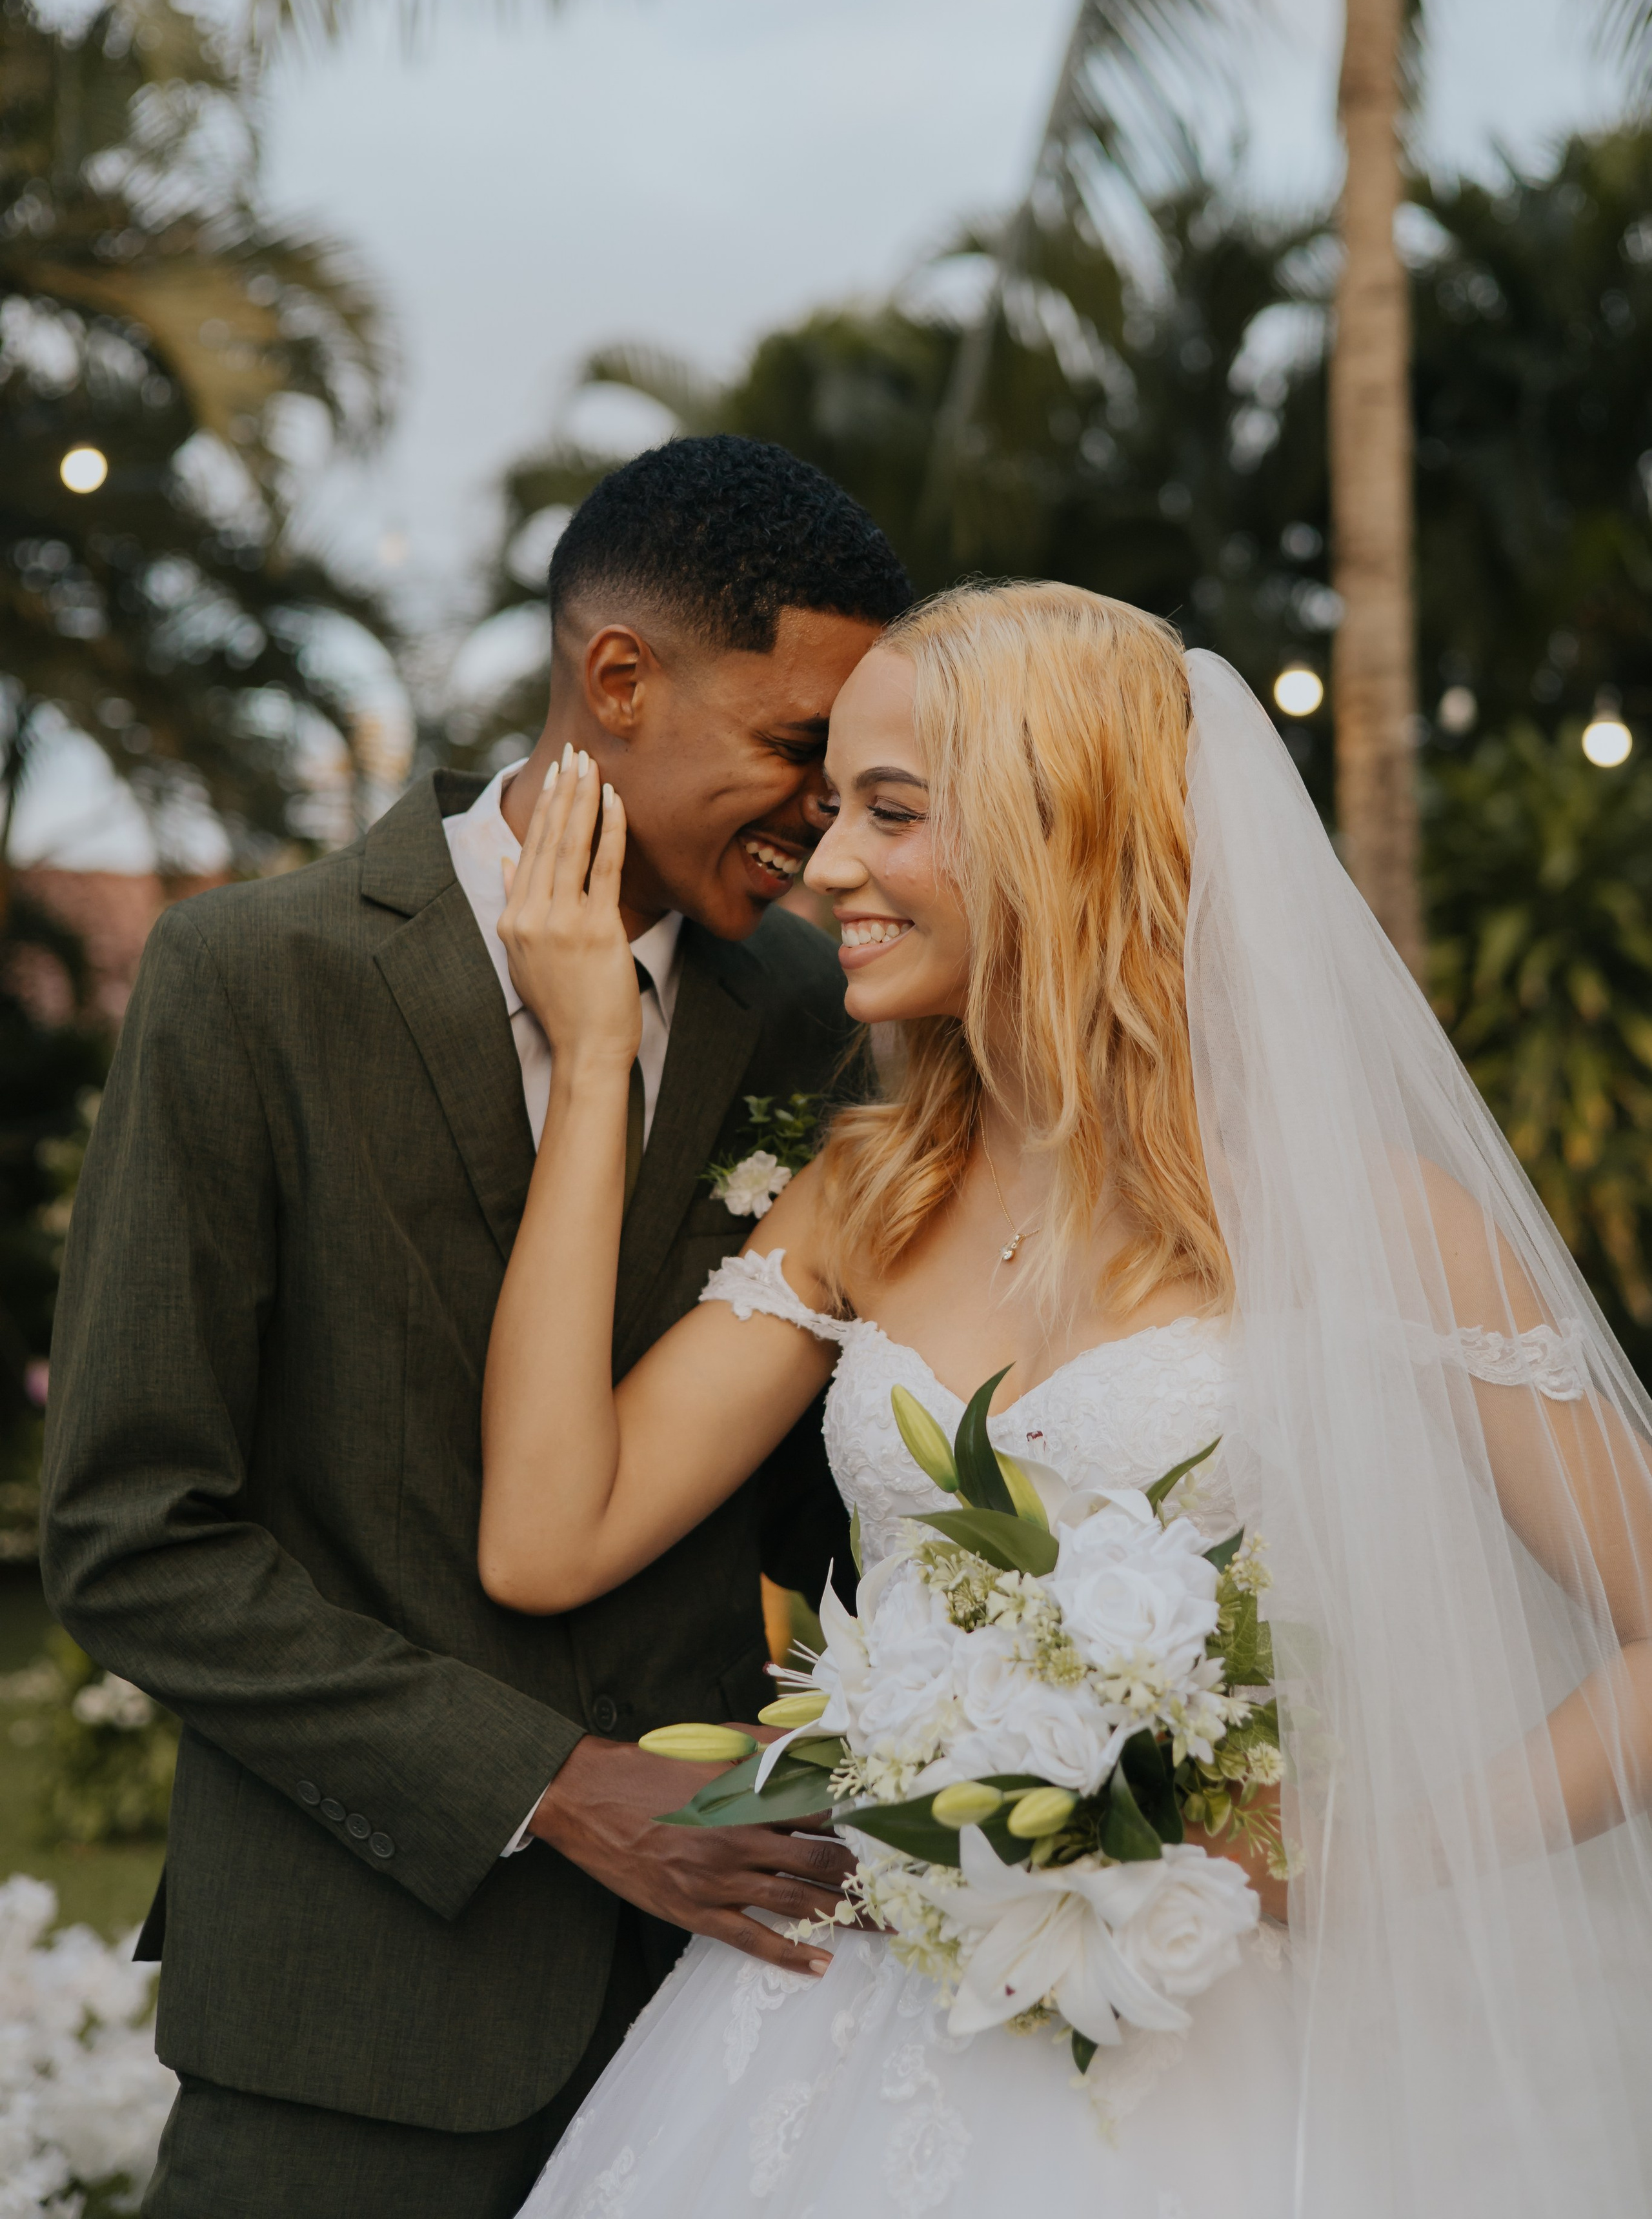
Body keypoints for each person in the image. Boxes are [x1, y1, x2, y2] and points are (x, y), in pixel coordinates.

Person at [483, 581, 1652, 2219]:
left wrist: (1356, 1859)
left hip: (1220, 2055)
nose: (825, 869)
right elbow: (546, 1533)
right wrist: (593, 1061)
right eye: (829, 814)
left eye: (889, 812)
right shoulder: (863, 1197)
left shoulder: (1365, 1220)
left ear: (1063, 832)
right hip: (839, 2037)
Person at [39, 434, 913, 2219]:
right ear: (616, 682)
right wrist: (548, 1785)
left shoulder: (822, 1012)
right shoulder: (252, 983)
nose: (827, 820)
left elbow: (836, 1470)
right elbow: (132, 1538)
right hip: (346, 2025)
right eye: (796, 752)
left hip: (728, 2012)